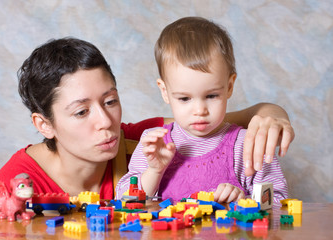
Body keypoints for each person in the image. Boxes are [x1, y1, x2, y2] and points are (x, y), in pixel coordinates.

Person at [0, 37, 293, 211]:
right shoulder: (16, 183)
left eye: (110, 101)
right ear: (44, 124)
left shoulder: (139, 139)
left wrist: (274, 113)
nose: (106, 122)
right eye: (81, 112)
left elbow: (213, 120)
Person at [116, 17, 288, 203]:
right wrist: (154, 171)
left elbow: (277, 201)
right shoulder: (154, 144)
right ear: (164, 91)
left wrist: (243, 201)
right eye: (184, 98)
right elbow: (123, 202)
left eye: (211, 96)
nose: (199, 110)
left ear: (229, 86)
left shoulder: (247, 145)